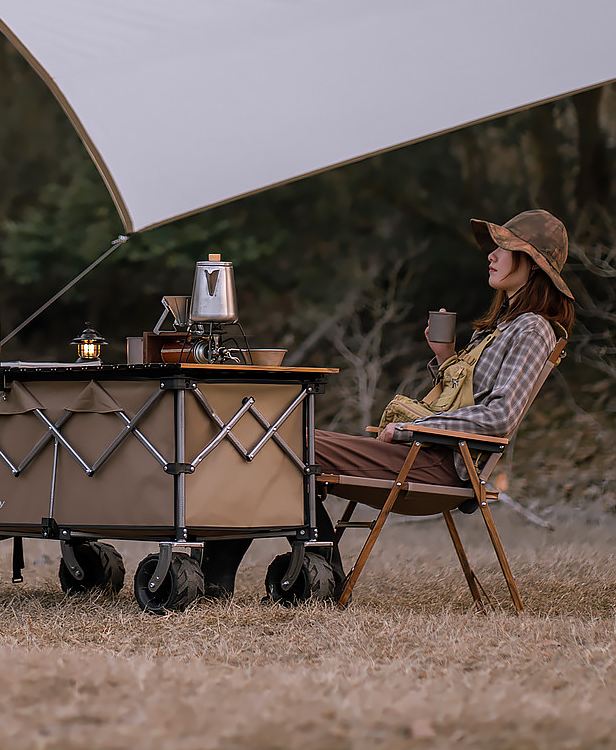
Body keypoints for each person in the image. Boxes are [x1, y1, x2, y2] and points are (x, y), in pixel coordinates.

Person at [202, 209, 575, 599]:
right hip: (427, 453)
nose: (491, 255)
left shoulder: (533, 328)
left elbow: (499, 416)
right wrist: (445, 355)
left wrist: (412, 429)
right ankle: (309, 574)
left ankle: (242, 578)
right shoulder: (505, 326)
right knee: (276, 444)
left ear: (533, 265)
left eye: (504, 249)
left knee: (278, 444)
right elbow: (467, 399)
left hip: (439, 463)